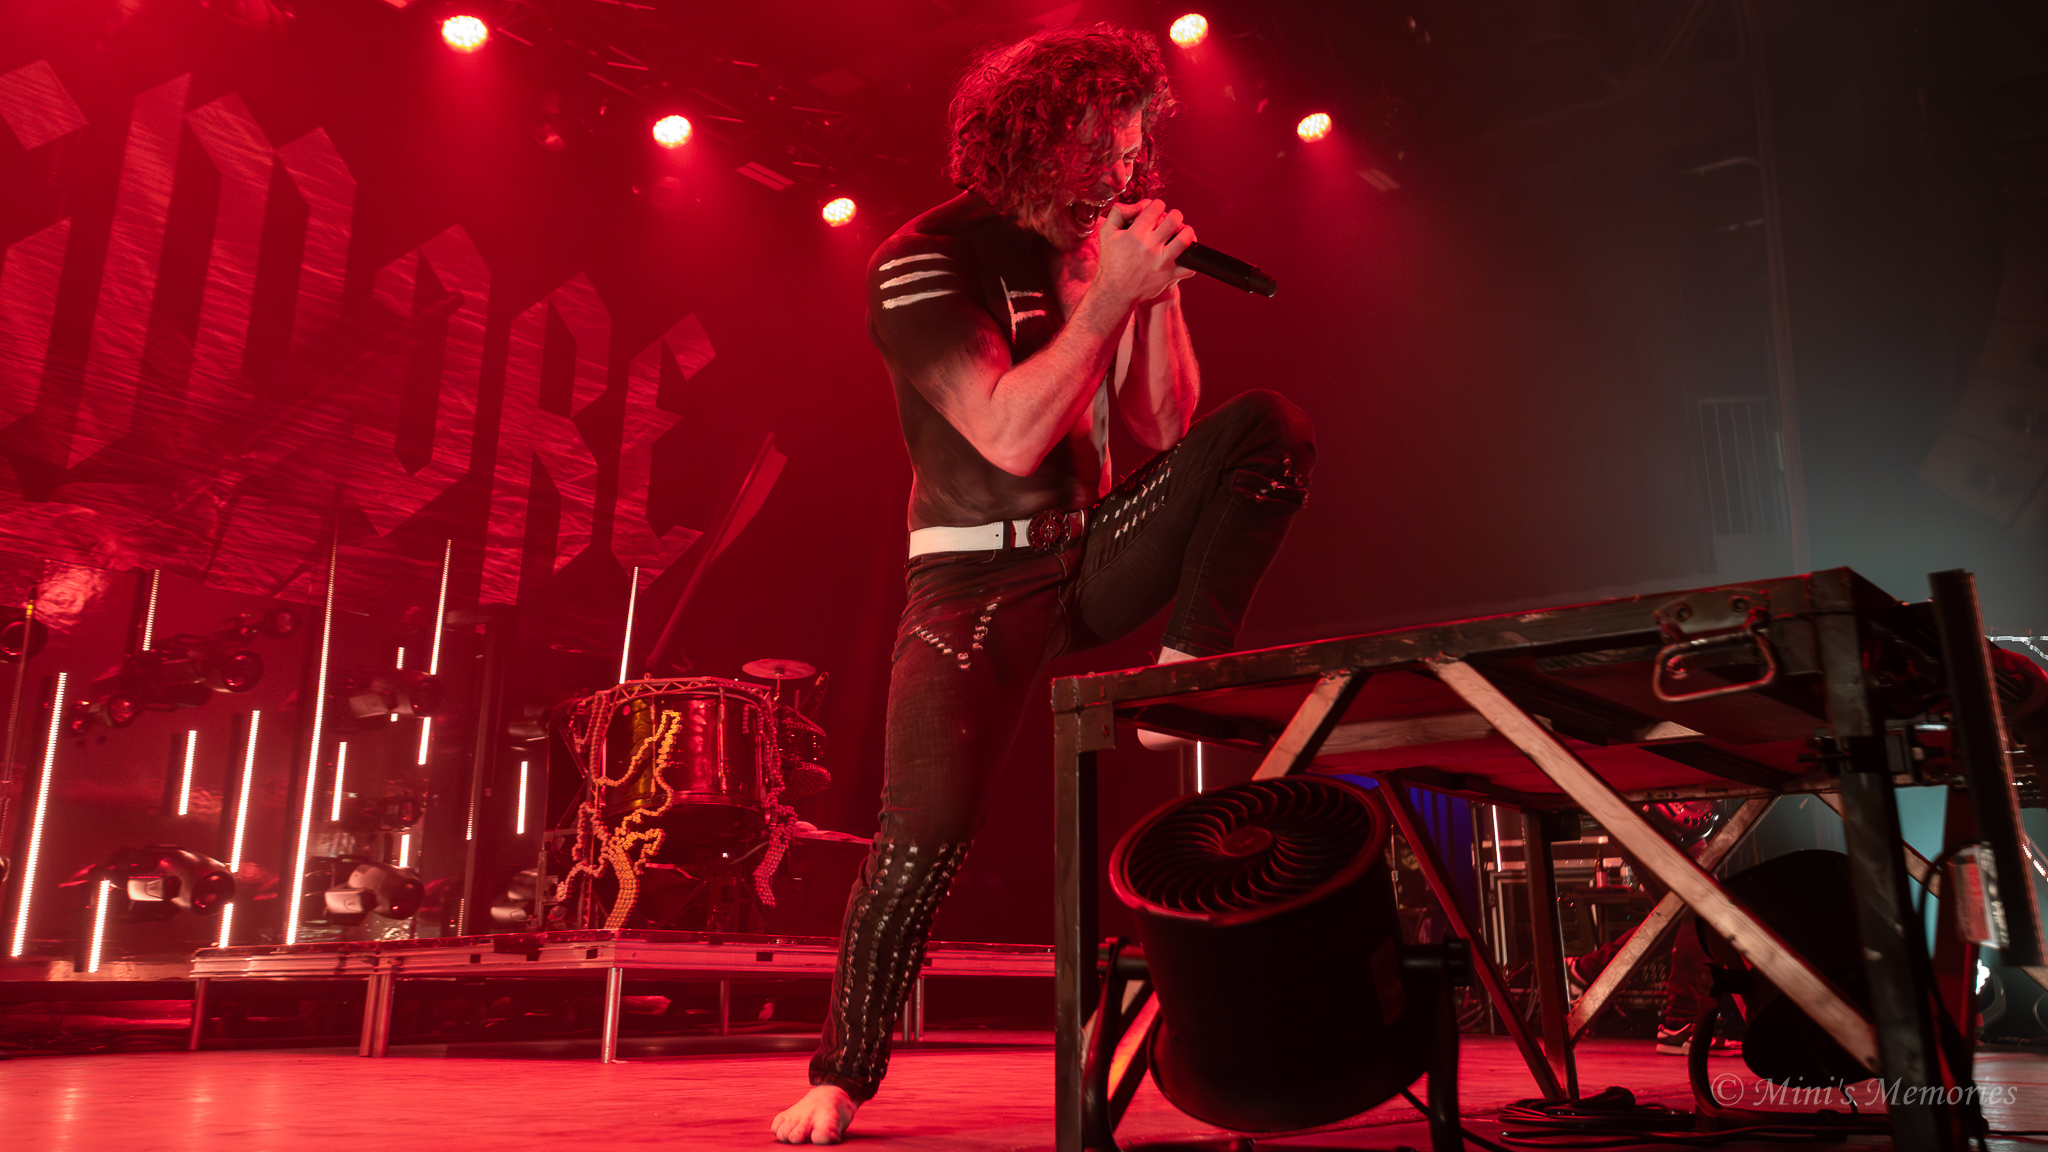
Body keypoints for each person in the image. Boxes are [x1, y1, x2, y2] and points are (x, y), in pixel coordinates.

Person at [772, 23, 1315, 1144]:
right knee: (922, 836)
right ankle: (839, 1075)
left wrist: (1154, 294)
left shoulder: (1094, 253)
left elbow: (1162, 430)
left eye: (1134, 146)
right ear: (1032, 136)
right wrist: (1106, 298)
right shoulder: (926, 259)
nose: (1123, 167)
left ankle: (1183, 674)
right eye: (1100, 144)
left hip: (1090, 549)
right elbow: (1009, 435)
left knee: (1266, 429)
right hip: (972, 587)